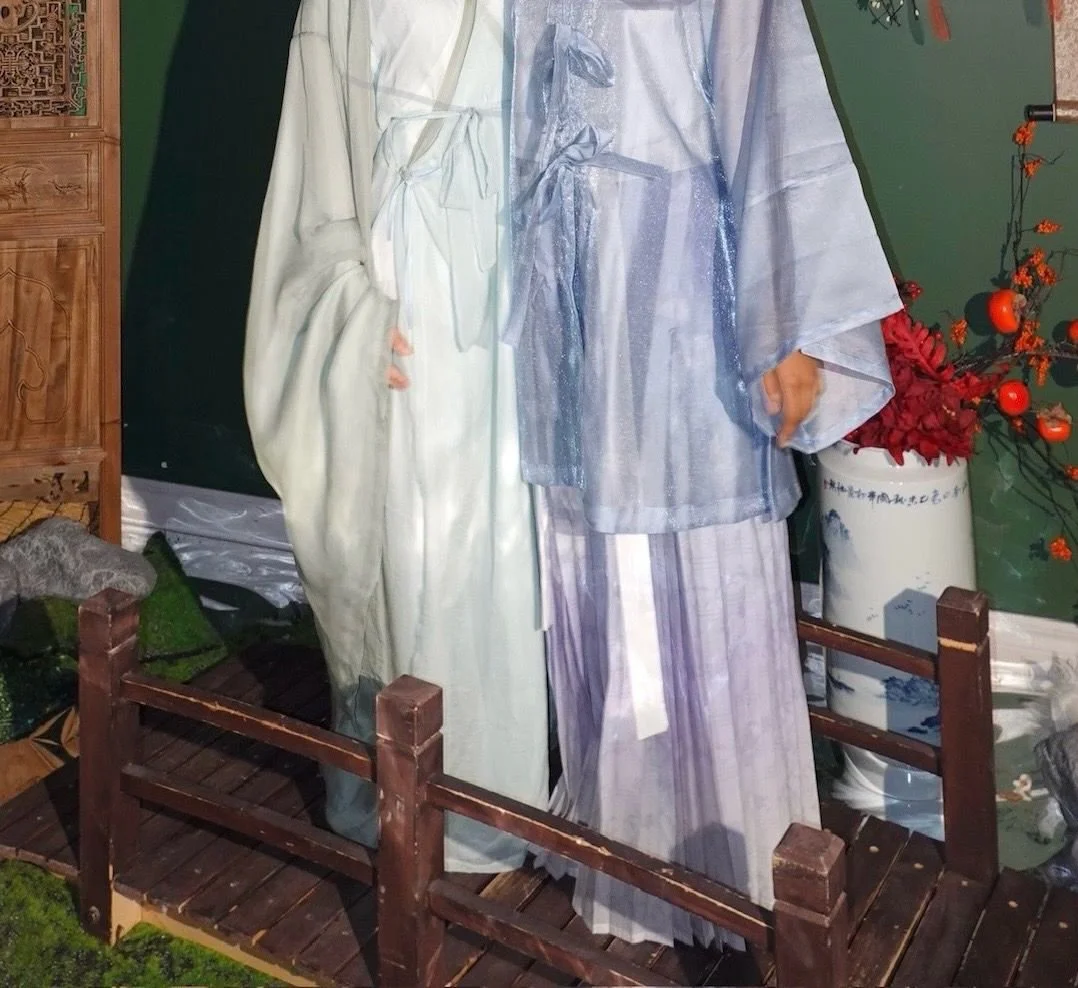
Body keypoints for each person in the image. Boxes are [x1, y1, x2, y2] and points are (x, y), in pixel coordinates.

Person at [507, 0, 899, 947]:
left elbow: (773, 110)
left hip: (681, 293)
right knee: (595, 552)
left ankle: (740, 855)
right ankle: (624, 828)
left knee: (701, 547)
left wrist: (792, 330)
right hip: (565, 297)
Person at [243, 0, 547, 873]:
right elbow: (313, 172)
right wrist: (351, 313)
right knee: (417, 544)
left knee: (505, 543)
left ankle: (504, 794)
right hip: (404, 277)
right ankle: (413, 803)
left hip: (511, 272)